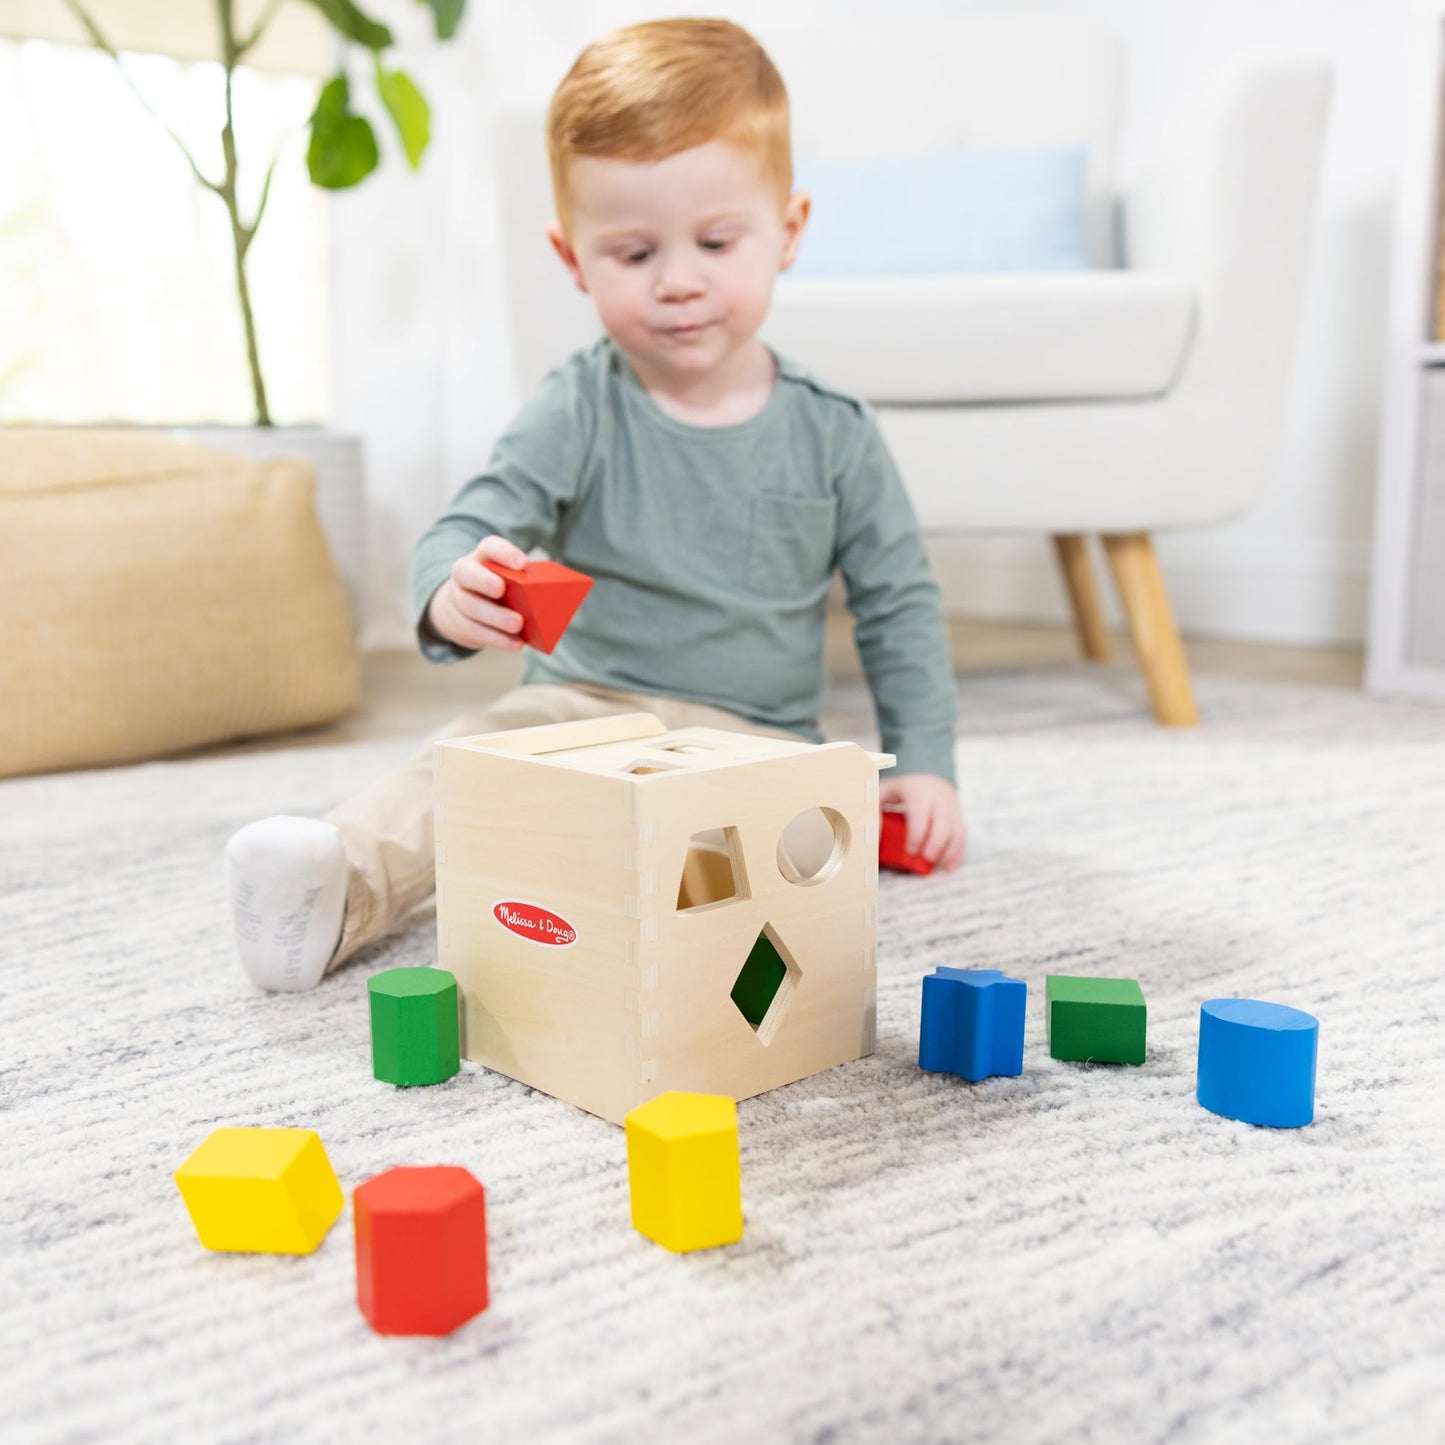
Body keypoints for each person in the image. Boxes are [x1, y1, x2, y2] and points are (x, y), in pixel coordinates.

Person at [225, 16, 966, 993]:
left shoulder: (834, 431)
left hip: (751, 737)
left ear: (786, 232)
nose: (679, 282)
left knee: (775, 863)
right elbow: (466, 524)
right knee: (461, 771)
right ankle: (332, 891)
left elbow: (898, 603)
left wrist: (925, 760)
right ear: (571, 257)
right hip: (577, 708)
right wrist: (452, 591)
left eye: (713, 240)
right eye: (631, 252)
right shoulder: (577, 404)